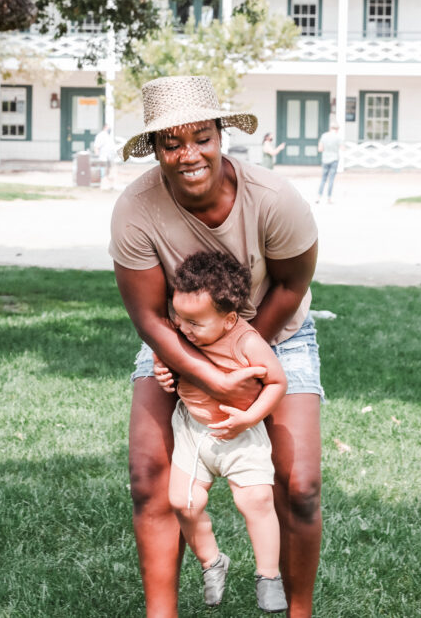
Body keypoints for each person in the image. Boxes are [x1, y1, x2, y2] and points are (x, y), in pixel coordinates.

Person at [110, 75, 322, 618]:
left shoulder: (275, 199)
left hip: (277, 336)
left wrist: (242, 360)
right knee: (147, 477)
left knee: (299, 484)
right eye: (171, 143)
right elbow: (147, 317)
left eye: (200, 137)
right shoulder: (135, 210)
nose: (189, 154)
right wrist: (200, 367)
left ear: (221, 135)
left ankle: (297, 612)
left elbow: (292, 286)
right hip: (176, 338)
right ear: (156, 148)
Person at [163, 251, 288, 613]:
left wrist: (250, 419)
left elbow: (277, 382)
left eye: (195, 322)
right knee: (184, 503)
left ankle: (268, 576)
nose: (184, 328)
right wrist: (162, 371)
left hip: (239, 435)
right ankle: (212, 562)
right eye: (178, 316)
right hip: (192, 429)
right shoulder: (181, 331)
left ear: (229, 318)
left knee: (256, 500)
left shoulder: (245, 341)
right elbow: (166, 356)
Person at [316, 120, 344, 203]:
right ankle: (329, 198)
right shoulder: (338, 137)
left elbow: (320, 149)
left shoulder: (324, 136)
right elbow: (343, 148)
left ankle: (318, 197)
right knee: (331, 179)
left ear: (330, 128)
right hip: (334, 159)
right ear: (337, 129)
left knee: (323, 179)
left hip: (325, 159)